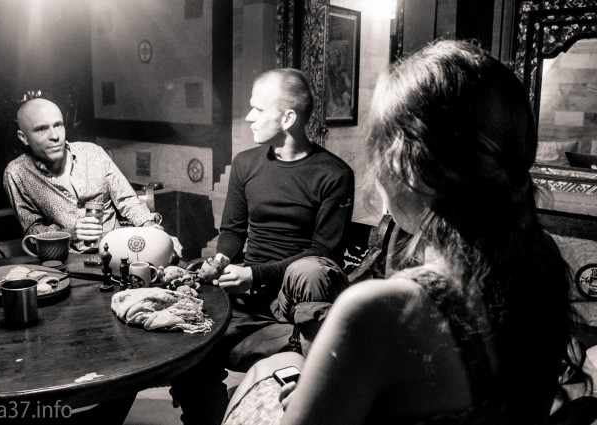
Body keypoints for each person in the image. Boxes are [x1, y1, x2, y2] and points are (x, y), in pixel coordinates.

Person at [222, 40, 586, 425]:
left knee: (269, 370)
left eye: (377, 148)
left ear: (408, 169)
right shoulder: (539, 266)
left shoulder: (381, 309)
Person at [170, 68, 355, 425]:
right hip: (246, 300)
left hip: (297, 297)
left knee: (310, 269)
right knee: (187, 345)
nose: (249, 117)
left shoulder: (334, 174)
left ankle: (311, 396)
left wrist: (254, 274)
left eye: (258, 109)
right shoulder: (246, 164)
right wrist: (222, 258)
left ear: (287, 118)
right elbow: (232, 231)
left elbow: (323, 253)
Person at [3, 97, 182, 255]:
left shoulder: (92, 153)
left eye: (58, 125)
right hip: (67, 261)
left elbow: (127, 199)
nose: (55, 136)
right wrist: (68, 233)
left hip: (116, 252)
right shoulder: (17, 172)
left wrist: (151, 228)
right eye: (41, 129)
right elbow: (32, 232)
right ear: (23, 137)